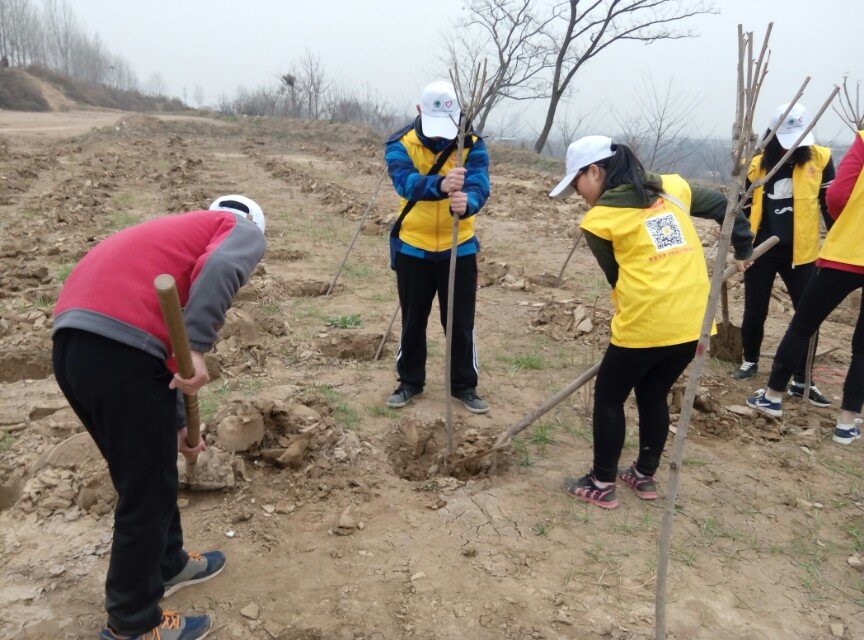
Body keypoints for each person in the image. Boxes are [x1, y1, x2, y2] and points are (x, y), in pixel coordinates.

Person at [52, 195, 267, 640]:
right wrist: (200, 345)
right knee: (146, 489)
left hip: (77, 346)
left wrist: (180, 427)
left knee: (145, 474)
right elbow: (222, 269)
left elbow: (166, 353)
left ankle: (168, 563)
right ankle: (132, 622)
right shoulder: (239, 227)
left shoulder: (170, 240)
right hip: (119, 351)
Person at [550, 136, 753, 509]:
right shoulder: (672, 187)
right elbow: (726, 205)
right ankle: (643, 475)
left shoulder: (598, 220)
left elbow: (616, 278)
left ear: (594, 171)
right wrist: (743, 247)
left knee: (609, 395)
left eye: (577, 183)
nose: (578, 194)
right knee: (653, 392)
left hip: (647, 320)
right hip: (693, 319)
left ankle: (601, 482)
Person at [747, 129, 864, 444]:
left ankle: (773, 396)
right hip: (786, 249)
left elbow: (836, 196)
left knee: (802, 325)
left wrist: (849, 223)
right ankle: (846, 424)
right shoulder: (758, 164)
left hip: (846, 252)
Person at [383, 80, 491, 413]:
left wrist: (468, 202)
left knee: (459, 322)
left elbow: (480, 184)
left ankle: (464, 386)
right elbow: (405, 183)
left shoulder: (473, 145)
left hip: (459, 248)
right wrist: (441, 185)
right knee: (413, 320)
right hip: (413, 248)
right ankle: (410, 381)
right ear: (419, 111)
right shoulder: (400, 143)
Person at [731, 103, 835, 411]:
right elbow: (742, 209)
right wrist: (741, 250)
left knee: (808, 315)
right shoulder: (757, 164)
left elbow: (829, 204)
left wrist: (836, 242)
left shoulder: (820, 159)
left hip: (802, 252)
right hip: (762, 249)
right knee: (755, 310)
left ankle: (802, 379)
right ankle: (750, 360)